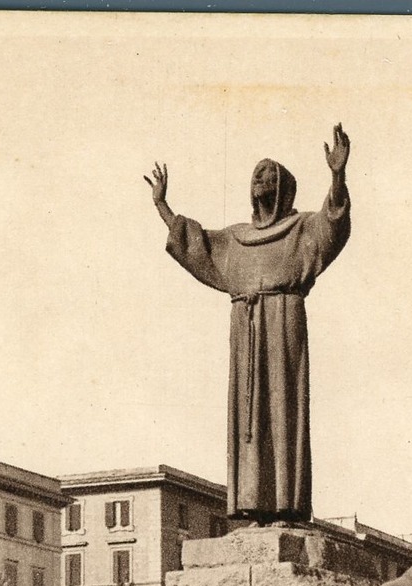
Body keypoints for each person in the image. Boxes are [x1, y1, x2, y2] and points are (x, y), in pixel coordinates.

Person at [145, 125, 352, 524]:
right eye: (256, 173)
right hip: (246, 328)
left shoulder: (302, 228)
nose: (260, 179)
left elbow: (334, 223)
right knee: (248, 417)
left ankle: (287, 507)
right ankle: (253, 505)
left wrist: (337, 176)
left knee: (283, 409)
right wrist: (162, 206)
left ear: (284, 187)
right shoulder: (237, 238)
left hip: (283, 322)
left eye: (269, 173)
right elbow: (196, 243)